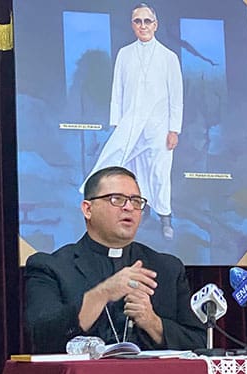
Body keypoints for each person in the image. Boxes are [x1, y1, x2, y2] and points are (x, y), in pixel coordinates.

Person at [25, 166, 205, 353]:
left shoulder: (167, 269)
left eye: (136, 201)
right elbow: (43, 335)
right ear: (88, 209)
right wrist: (103, 292)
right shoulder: (50, 267)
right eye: (116, 199)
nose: (129, 207)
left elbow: (199, 343)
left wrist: (153, 322)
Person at [81, 3, 183, 240]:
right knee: (132, 171)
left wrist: (174, 130)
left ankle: (165, 218)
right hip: (130, 125)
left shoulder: (169, 57)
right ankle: (140, 210)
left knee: (159, 173)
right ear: (133, 25)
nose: (143, 26)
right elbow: (117, 90)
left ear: (155, 25)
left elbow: (176, 97)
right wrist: (117, 124)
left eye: (147, 21)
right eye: (138, 21)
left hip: (159, 127)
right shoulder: (125, 54)